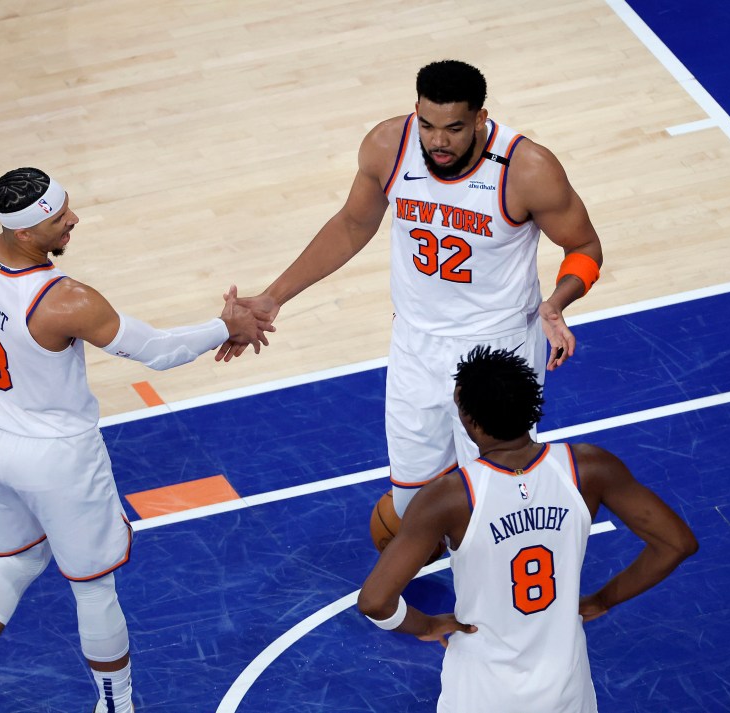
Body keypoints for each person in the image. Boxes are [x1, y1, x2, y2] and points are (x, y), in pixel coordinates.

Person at [0, 167, 270, 713]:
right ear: (28, 232)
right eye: (60, 218)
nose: (73, 220)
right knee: (93, 587)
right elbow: (157, 351)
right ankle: (117, 707)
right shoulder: (65, 300)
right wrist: (227, 325)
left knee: (15, 562)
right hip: (58, 460)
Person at [218, 59, 604, 520]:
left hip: (498, 350)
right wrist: (273, 296)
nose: (438, 141)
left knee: (494, 501)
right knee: (412, 501)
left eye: (454, 128)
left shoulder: (528, 168)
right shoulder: (389, 146)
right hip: (414, 343)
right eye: (427, 124)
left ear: (481, 118)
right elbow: (351, 225)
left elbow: (584, 245)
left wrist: (558, 301)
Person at [357, 345, 698, 712]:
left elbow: (376, 602)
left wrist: (425, 625)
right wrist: (602, 600)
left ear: (469, 419)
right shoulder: (590, 468)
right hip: (566, 691)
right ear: (531, 404)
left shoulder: (449, 498)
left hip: (482, 694)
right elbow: (676, 543)